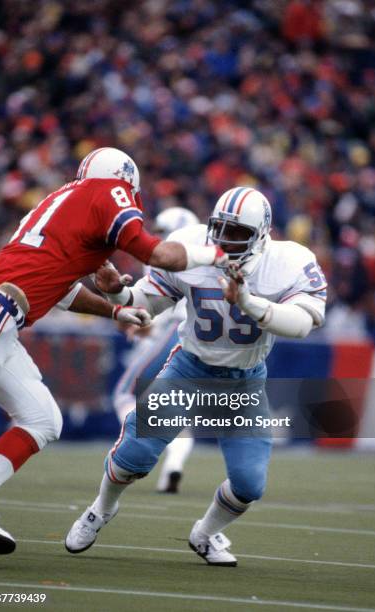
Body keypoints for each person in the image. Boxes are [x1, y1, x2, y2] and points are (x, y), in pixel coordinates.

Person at [0, 147, 228, 555]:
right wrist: (216, 255)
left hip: (0, 316)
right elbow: (160, 255)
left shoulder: (60, 203)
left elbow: (61, 289)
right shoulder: (107, 191)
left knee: (42, 419)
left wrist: (116, 310)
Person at [65, 185, 327, 566]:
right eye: (220, 227)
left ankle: (205, 534)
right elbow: (149, 303)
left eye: (237, 233)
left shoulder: (289, 261)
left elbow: (301, 324)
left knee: (249, 484)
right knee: (133, 455)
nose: (224, 239)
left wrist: (249, 302)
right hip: (191, 367)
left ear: (262, 234)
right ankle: (101, 508)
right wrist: (119, 296)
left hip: (244, 380)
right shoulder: (190, 247)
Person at [113, 207, 199, 493]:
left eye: (162, 231)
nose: (158, 237)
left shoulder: (166, 261)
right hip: (201, 343)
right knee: (175, 413)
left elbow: (155, 314)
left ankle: (137, 445)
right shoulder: (209, 259)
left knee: (124, 393)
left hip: (173, 333)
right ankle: (174, 466)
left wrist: (134, 321)